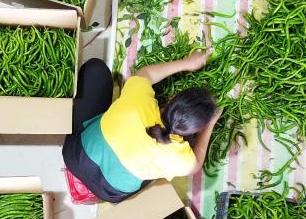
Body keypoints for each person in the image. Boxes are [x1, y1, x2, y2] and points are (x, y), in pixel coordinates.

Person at [62, 55, 222, 204]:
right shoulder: (181, 159)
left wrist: (186, 63)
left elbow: (146, 73)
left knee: (95, 68)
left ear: (172, 98)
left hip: (76, 157)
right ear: (193, 130)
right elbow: (197, 164)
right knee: (156, 169)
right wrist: (210, 124)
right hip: (108, 192)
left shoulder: (138, 99)